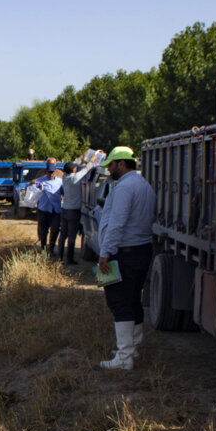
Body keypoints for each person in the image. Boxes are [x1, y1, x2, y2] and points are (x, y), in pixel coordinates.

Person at [96, 146, 156, 370]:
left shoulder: (123, 188)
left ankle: (124, 358)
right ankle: (132, 348)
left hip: (123, 253)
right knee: (133, 300)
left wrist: (105, 253)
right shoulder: (144, 185)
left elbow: (116, 224)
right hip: (140, 251)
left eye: (110, 165)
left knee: (118, 301)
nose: (109, 170)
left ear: (121, 164)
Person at [59, 160, 96, 264]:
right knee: (71, 237)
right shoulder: (75, 178)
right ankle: (69, 259)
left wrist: (82, 157)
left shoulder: (64, 177)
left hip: (65, 209)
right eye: (75, 168)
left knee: (63, 235)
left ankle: (60, 257)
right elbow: (86, 169)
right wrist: (92, 160)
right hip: (73, 211)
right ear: (73, 170)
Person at [31, 166, 64, 256]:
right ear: (47, 172)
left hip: (55, 210)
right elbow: (31, 188)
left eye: (52, 172)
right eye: (49, 172)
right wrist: (31, 184)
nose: (51, 174)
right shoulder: (40, 180)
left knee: (55, 230)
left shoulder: (60, 182)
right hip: (44, 210)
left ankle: (51, 248)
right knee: (43, 231)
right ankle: (43, 248)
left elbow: (63, 193)